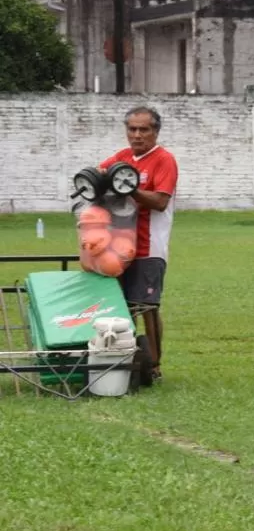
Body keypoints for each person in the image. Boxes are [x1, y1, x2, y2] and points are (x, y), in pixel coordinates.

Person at [99, 106, 179, 381]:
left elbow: (159, 201)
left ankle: (154, 365)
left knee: (147, 306)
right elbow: (98, 175)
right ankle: (128, 358)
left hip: (149, 247)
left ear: (155, 131)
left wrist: (128, 188)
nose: (137, 135)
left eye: (143, 129)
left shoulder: (163, 159)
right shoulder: (121, 158)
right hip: (117, 246)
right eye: (132, 129)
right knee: (121, 307)